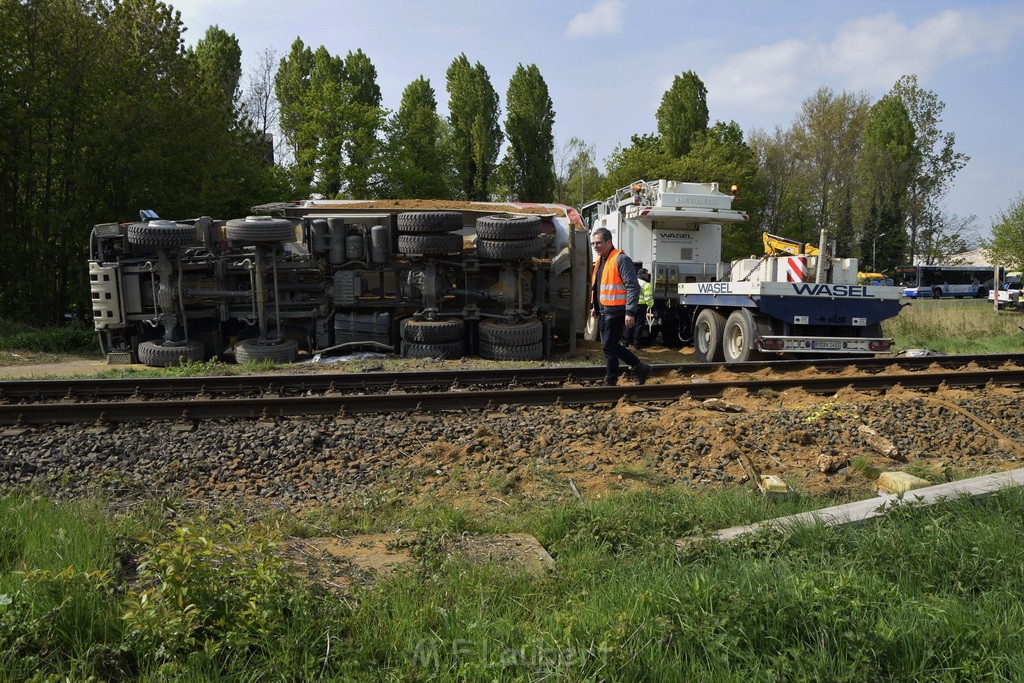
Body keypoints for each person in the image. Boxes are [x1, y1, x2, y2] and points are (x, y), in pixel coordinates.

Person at [590, 228, 652, 386]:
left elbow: (633, 286)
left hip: (616, 311)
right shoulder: (600, 260)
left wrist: (630, 312)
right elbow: (597, 286)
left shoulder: (621, 259)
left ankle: (611, 380)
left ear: (609, 242)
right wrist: (594, 306)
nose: (595, 246)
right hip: (604, 311)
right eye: (593, 243)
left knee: (608, 347)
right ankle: (640, 368)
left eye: (598, 243)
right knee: (610, 346)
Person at [625, 267, 653, 348]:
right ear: (643, 275)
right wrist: (652, 306)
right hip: (641, 307)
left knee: (629, 325)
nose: (648, 276)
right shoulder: (646, 284)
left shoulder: (632, 282)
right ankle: (636, 345)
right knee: (639, 326)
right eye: (647, 275)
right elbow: (648, 298)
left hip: (631, 306)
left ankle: (626, 343)